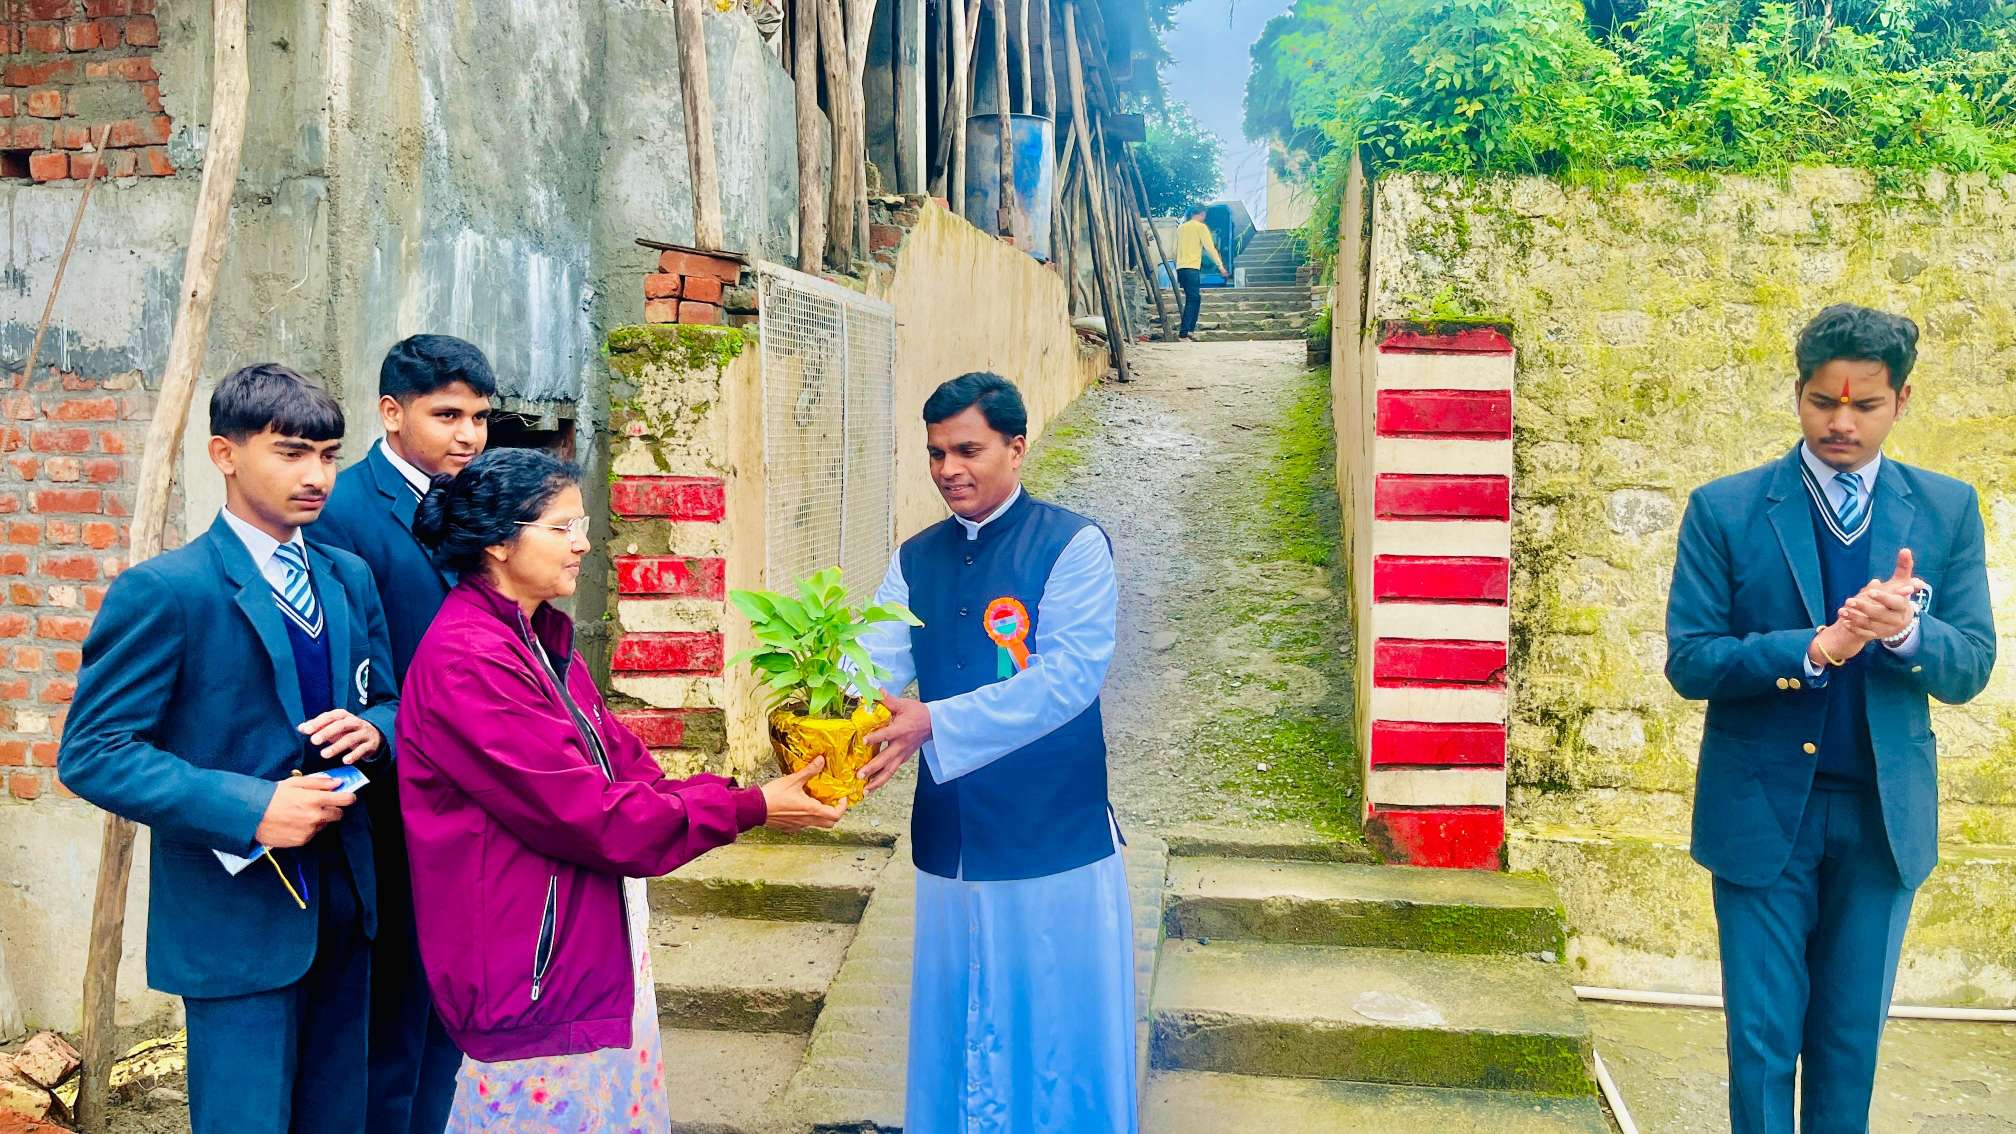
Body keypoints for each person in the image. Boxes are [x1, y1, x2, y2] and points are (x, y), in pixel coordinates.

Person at [395, 447, 847, 1131]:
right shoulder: (471, 659)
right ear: (498, 543)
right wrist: (750, 807)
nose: (583, 544)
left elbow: (625, 767)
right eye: (562, 528)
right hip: (526, 960)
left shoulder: (536, 636)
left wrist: (731, 796)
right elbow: (591, 815)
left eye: (581, 525)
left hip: (571, 939)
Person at [1665, 304, 1995, 1134]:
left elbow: (1971, 664)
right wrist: (1814, 648)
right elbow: (1692, 660)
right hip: (1760, 813)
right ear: (1798, 394)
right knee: (1762, 1041)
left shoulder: (1947, 510)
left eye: (1866, 405)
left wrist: (1907, 633)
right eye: (1822, 402)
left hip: (1884, 820)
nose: (1841, 423)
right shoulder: (1726, 509)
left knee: (1850, 1045)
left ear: (1902, 400)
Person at [59, 364, 400, 1134]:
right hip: (235, 919)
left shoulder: (348, 577)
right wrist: (252, 808)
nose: (317, 477)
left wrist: (378, 729)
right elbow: (94, 751)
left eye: (330, 456)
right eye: (291, 453)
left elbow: (390, 697)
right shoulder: (168, 590)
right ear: (224, 454)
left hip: (346, 902)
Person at [856, 372, 1135, 1133]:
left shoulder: (1072, 545)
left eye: (968, 450)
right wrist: (820, 712)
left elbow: (1068, 679)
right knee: (959, 1022)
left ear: (1016, 447)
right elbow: (871, 666)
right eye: (936, 453)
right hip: (951, 831)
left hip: (1052, 830)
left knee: (1054, 1030)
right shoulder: (914, 558)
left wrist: (933, 724)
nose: (949, 469)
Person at [311, 334, 495, 1134]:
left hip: (475, 797)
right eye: (447, 415)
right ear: (391, 413)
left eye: (480, 416)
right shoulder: (342, 511)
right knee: (391, 1018)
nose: (469, 434)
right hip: (390, 802)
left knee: (449, 1013)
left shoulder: (479, 496)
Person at [1174, 204, 1227, 342]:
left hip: (1181, 268)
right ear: (1202, 214)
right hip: (1192, 268)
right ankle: (1183, 334)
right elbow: (1210, 248)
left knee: (1195, 298)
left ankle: (1189, 331)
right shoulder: (1200, 227)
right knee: (1192, 299)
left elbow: (1175, 249)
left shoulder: (1181, 228)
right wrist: (1220, 267)